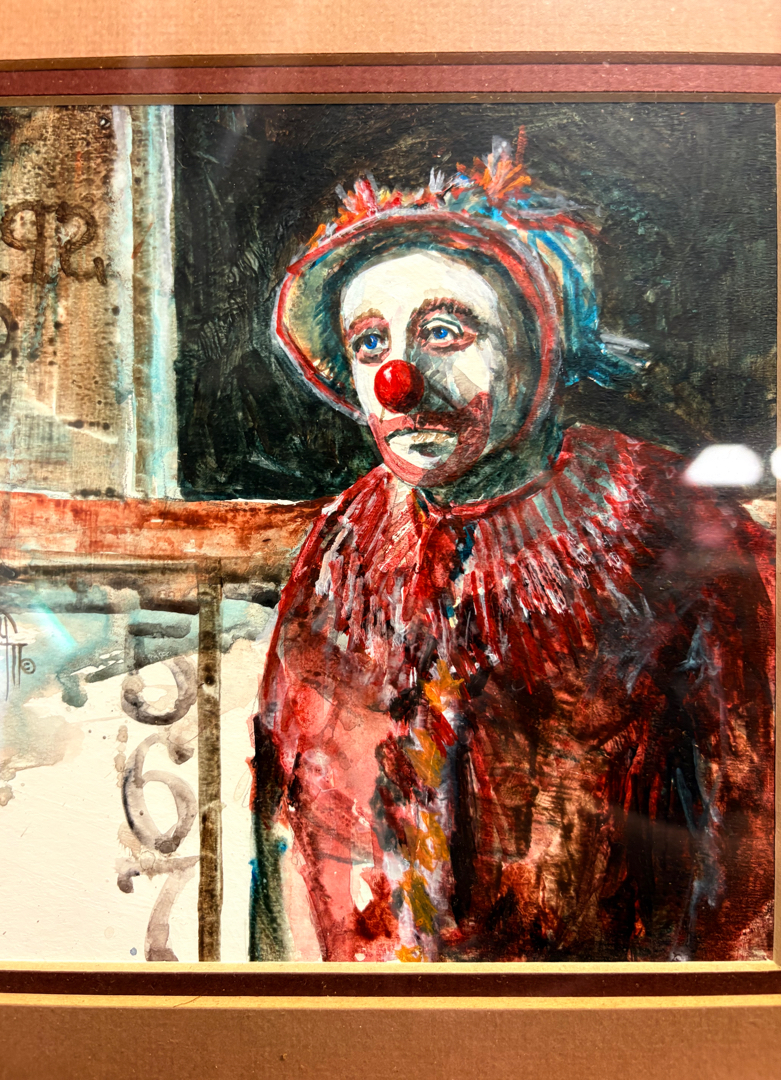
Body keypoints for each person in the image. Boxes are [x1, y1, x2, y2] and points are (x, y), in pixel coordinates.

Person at [250, 136, 774, 962]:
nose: (398, 383)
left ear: (541, 343)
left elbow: (753, 832)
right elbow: (299, 808)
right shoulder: (342, 544)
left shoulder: (680, 526)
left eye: (445, 332)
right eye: (370, 345)